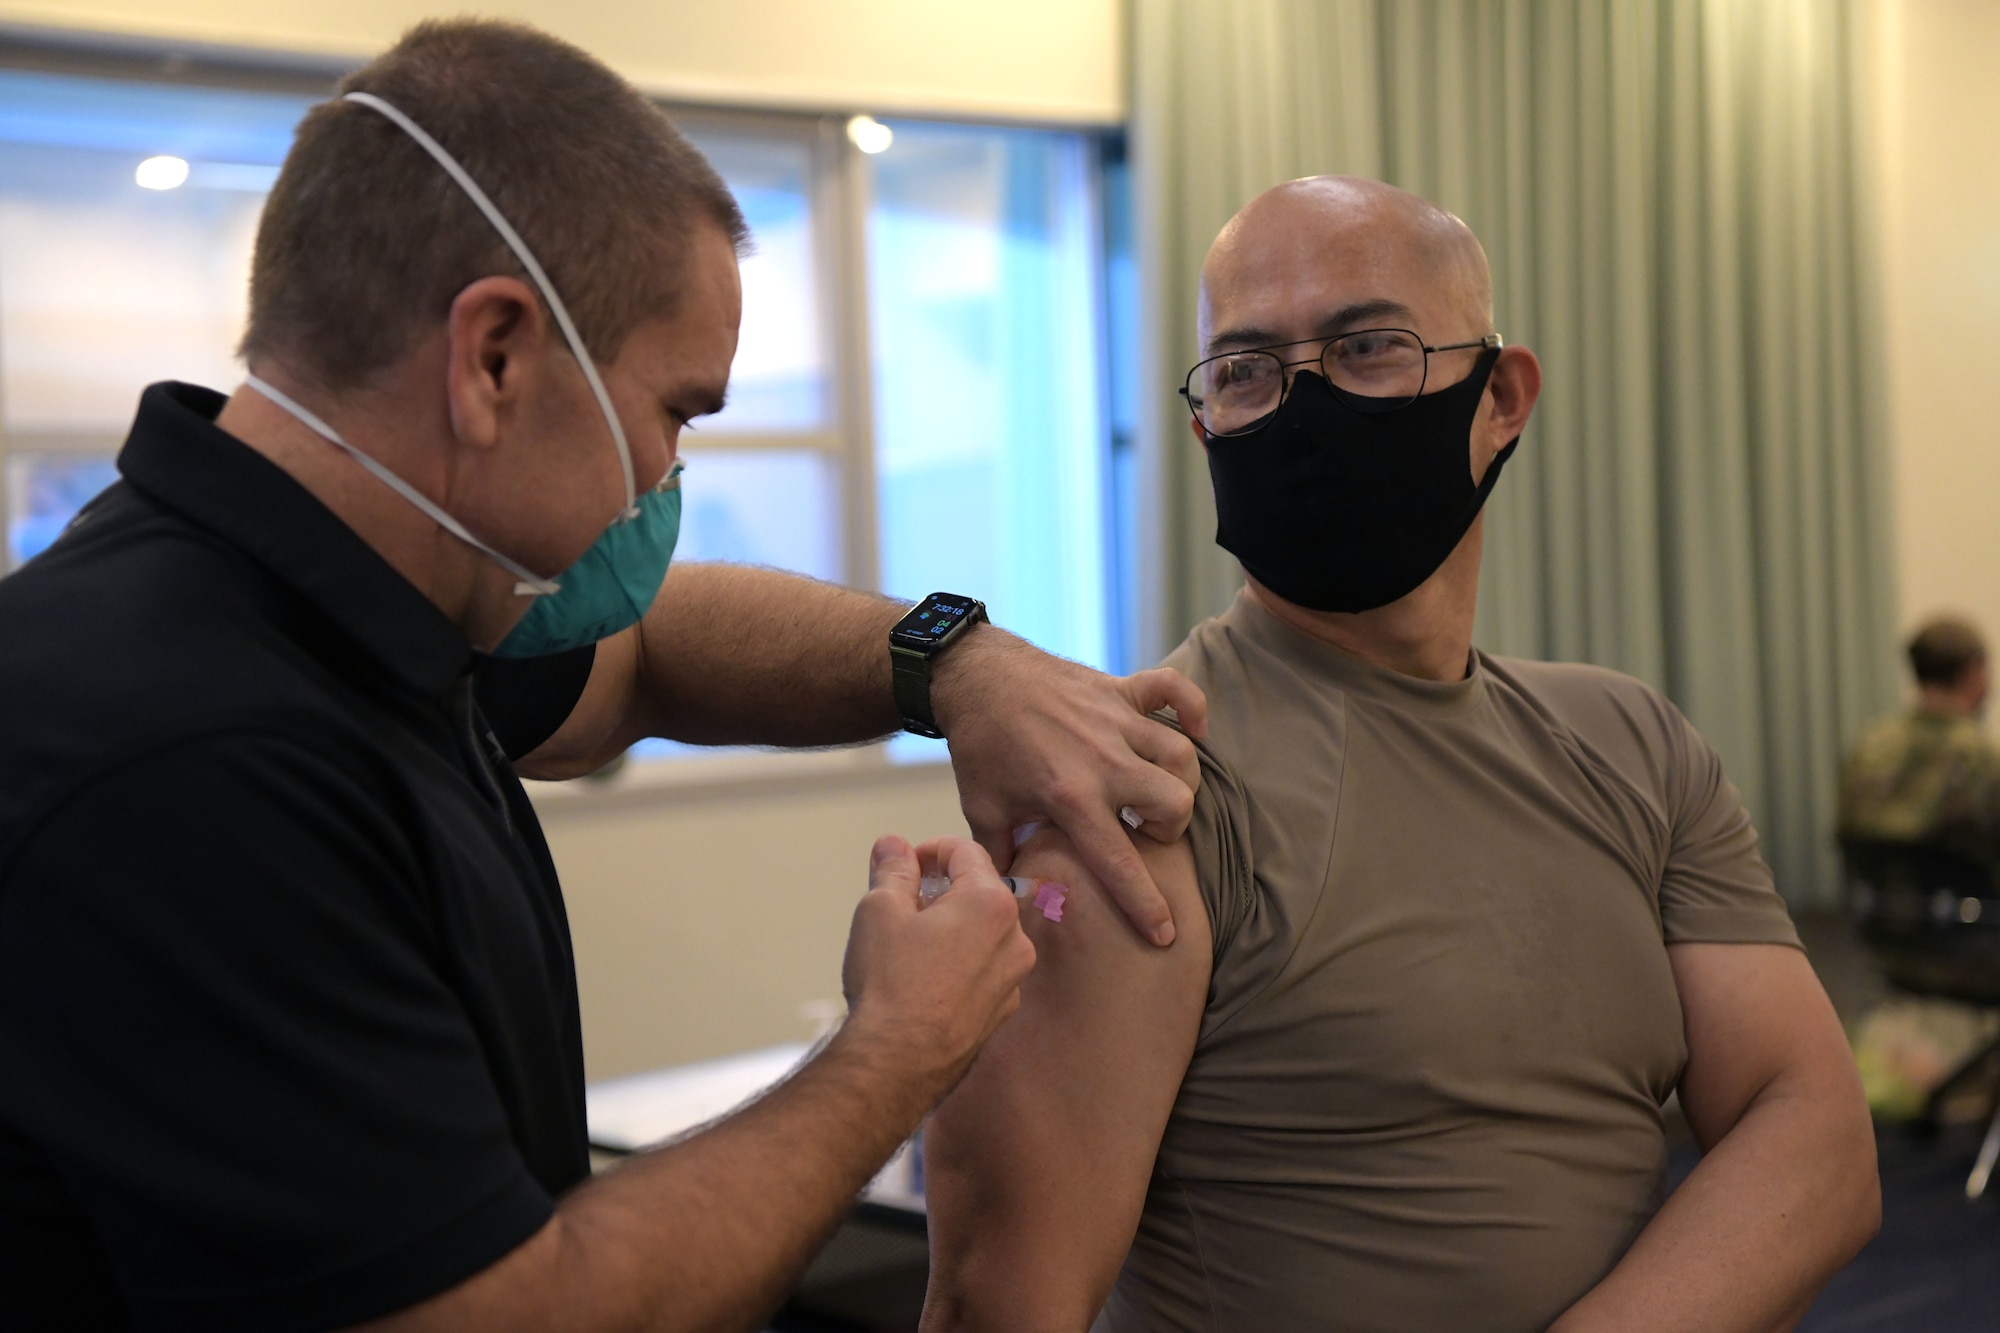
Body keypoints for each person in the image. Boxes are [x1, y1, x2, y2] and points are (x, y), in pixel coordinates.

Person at [0, 21, 1208, 1332]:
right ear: (495, 356)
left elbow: (642, 658)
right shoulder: (191, 758)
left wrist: (951, 661)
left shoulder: (361, 604)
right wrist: (895, 1049)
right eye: (674, 411)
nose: (668, 478)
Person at [920, 177, 1879, 1332]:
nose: (1301, 405)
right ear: (1204, 424)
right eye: (1244, 369)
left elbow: (1811, 1130)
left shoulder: (1631, 742)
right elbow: (994, 1302)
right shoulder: (1141, 796)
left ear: (1499, 398)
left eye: (1366, 346)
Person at [1839, 615, 2000, 865]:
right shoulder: (1984, 757)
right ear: (1973, 671)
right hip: (1968, 888)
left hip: (1876, 889)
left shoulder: (1870, 744)